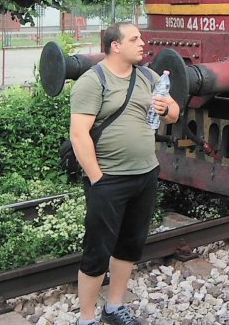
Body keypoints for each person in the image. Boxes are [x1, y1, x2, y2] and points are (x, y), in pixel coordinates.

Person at [70, 22, 179, 325]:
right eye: (134, 39)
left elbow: (174, 112)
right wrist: (97, 178)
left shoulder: (148, 76)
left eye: (141, 37)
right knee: (97, 251)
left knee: (129, 246)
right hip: (109, 180)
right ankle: (87, 319)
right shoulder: (93, 82)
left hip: (145, 175)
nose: (142, 43)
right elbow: (79, 135)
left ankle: (114, 307)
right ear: (115, 46)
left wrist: (165, 110)